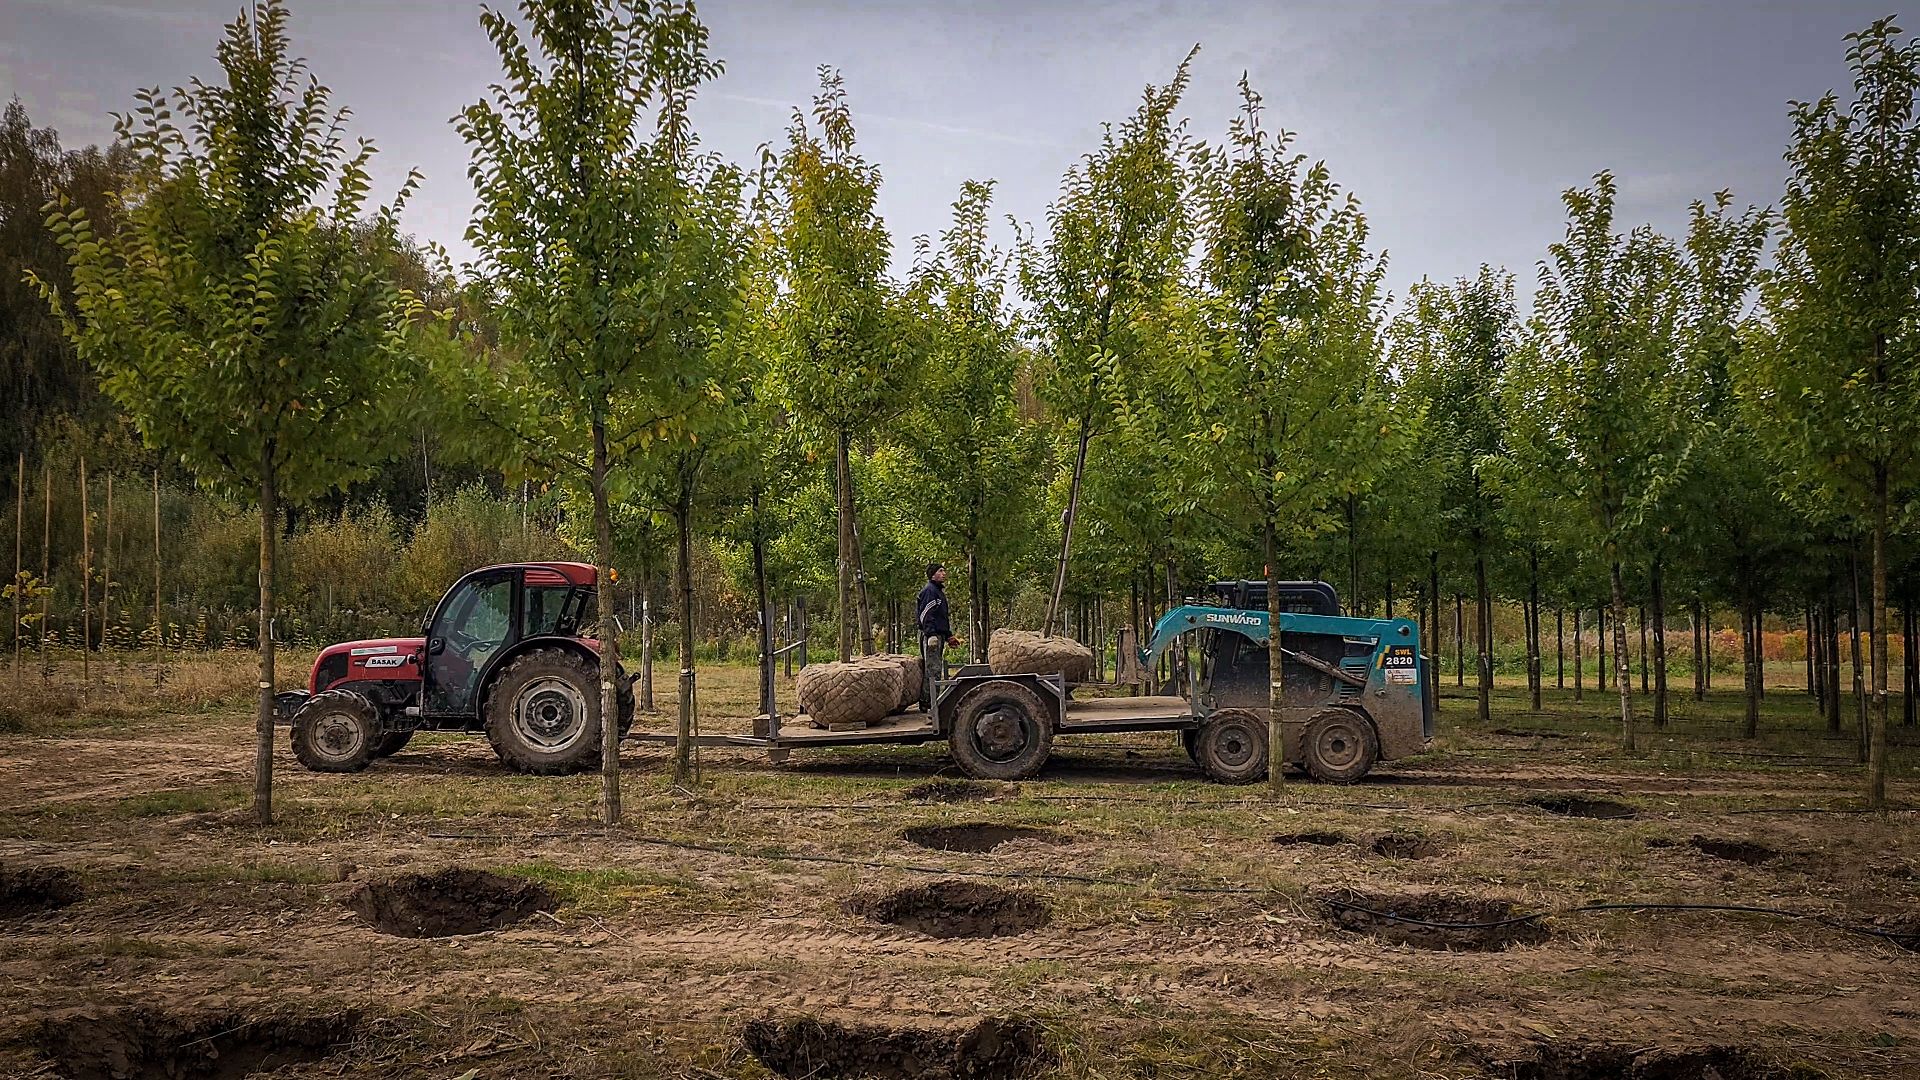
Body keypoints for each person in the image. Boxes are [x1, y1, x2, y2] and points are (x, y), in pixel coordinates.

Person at [917, 563, 960, 654]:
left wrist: (948, 636)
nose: (944, 573)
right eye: (940, 571)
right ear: (932, 575)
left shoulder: (938, 592)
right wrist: (931, 634)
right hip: (931, 637)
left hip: (939, 635)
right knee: (933, 666)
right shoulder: (930, 591)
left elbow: (941, 617)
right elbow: (926, 614)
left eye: (944, 571)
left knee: (937, 665)